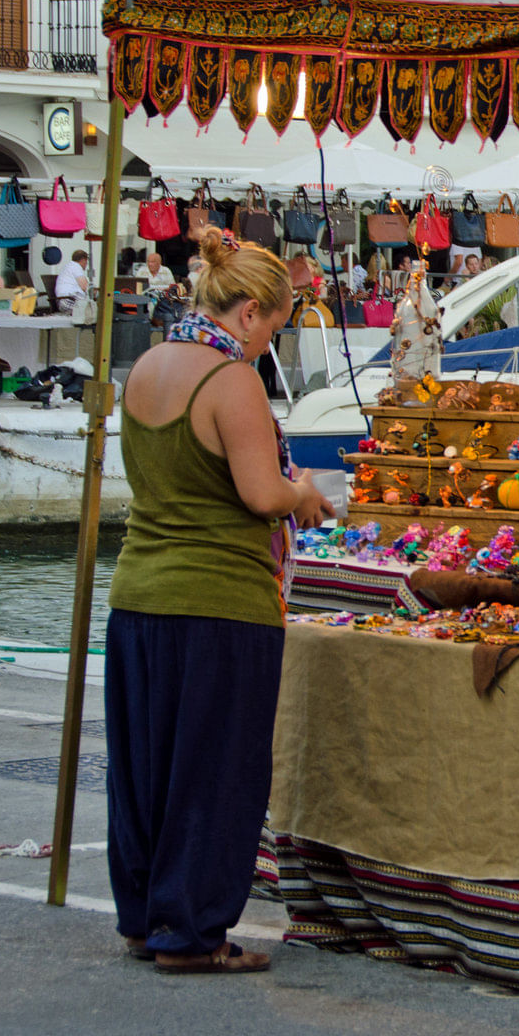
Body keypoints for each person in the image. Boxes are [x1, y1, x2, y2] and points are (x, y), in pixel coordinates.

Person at [104, 227, 332, 975]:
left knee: (147, 771)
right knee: (214, 771)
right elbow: (261, 493)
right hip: (219, 601)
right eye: (276, 323)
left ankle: (146, 919)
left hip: (139, 595)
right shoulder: (229, 379)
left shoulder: (147, 366)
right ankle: (194, 932)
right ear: (249, 311)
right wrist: (307, 496)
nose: (273, 339)